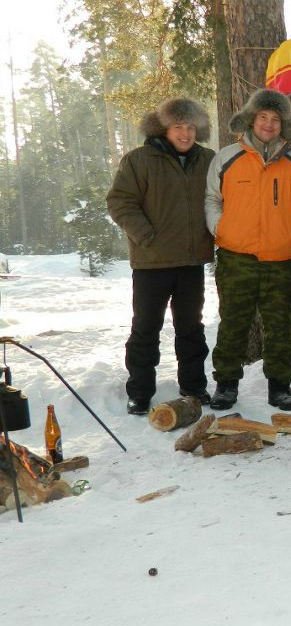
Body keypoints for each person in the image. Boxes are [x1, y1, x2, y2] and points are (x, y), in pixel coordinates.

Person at [204, 89, 291, 411]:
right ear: (252, 120)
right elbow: (212, 198)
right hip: (235, 256)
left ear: (284, 124)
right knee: (233, 322)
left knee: (280, 324)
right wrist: (220, 228)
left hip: (282, 259)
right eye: (263, 117)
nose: (269, 124)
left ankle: (280, 386)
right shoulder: (227, 157)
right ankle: (226, 384)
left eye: (276, 119)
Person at [107, 98, 215, 415]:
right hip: (151, 262)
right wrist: (147, 237)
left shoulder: (208, 160)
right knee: (145, 329)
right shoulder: (139, 160)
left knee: (191, 329)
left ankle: (194, 387)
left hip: (191, 261)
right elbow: (120, 202)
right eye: (178, 127)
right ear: (164, 129)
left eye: (191, 127)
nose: (185, 134)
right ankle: (140, 393)